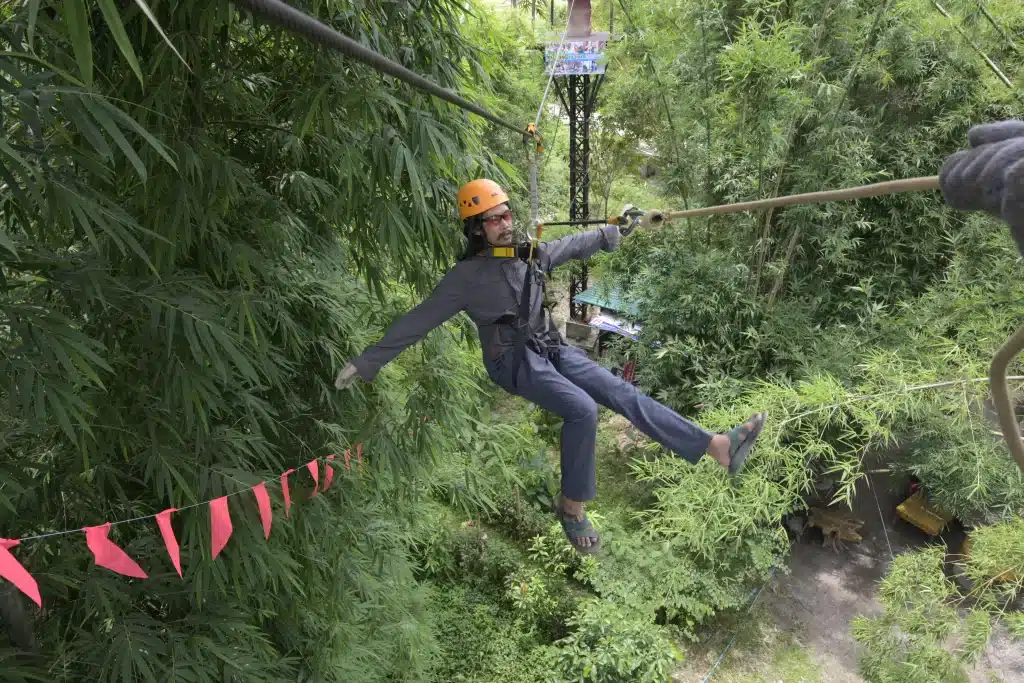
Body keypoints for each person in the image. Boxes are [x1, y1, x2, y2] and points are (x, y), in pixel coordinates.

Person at [334, 179, 766, 554]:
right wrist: (367, 362)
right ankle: (571, 507)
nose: (505, 224)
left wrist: (617, 229)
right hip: (512, 360)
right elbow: (419, 319)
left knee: (620, 391)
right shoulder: (464, 279)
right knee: (581, 408)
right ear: (476, 229)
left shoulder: (528, 254)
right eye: (493, 219)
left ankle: (716, 448)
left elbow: (572, 245)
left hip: (550, 348)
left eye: (506, 215)